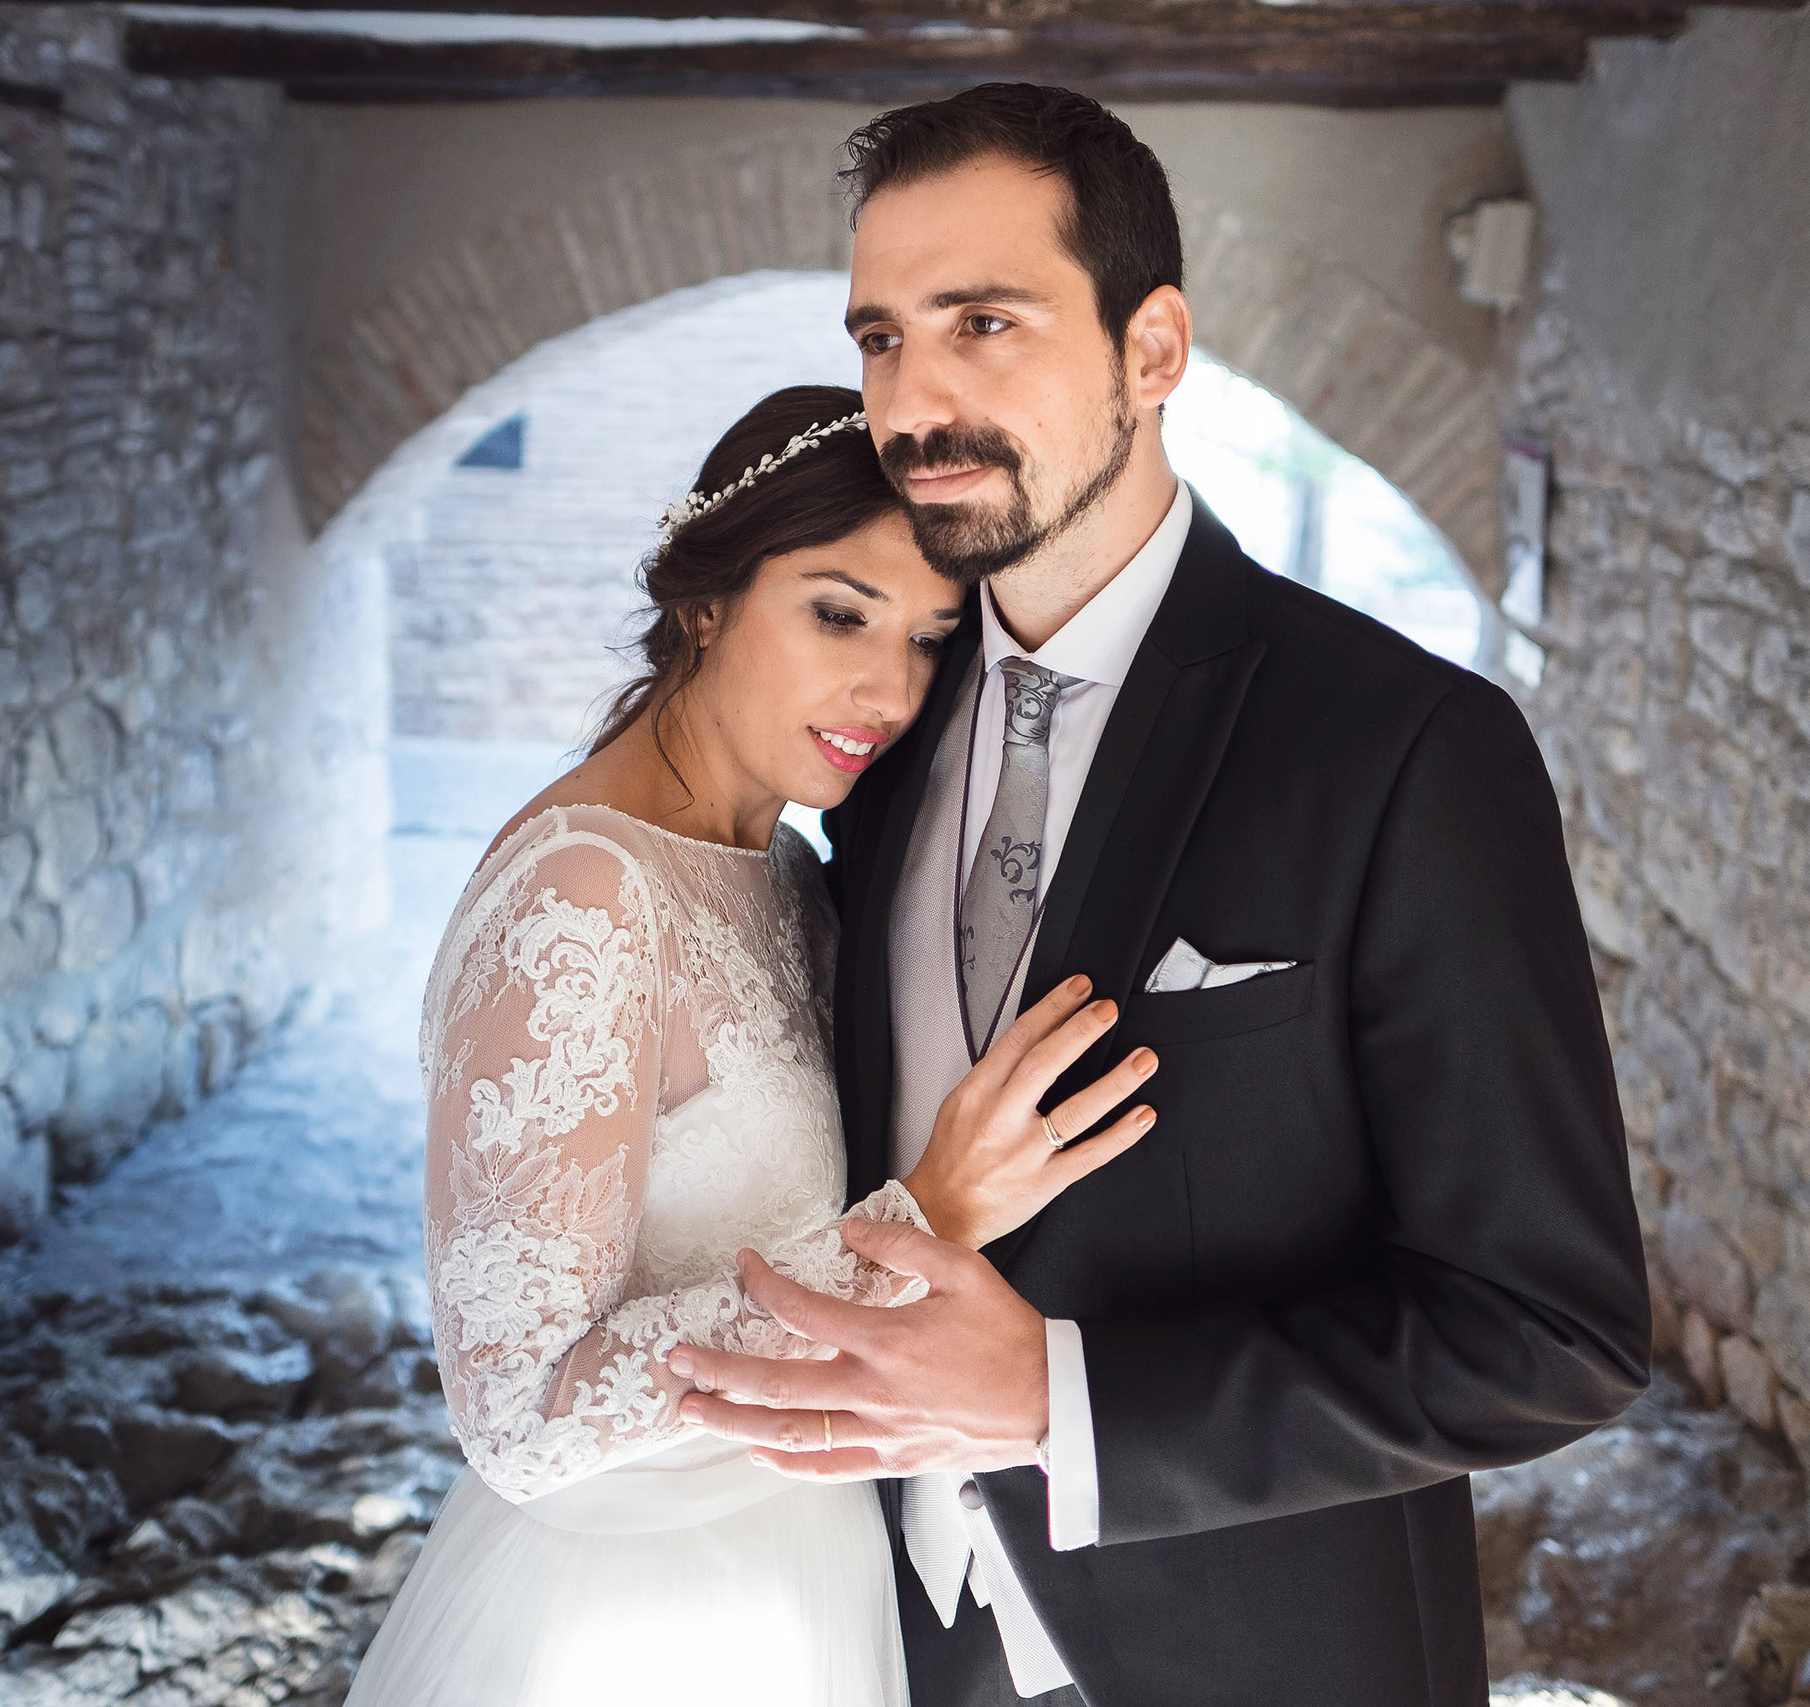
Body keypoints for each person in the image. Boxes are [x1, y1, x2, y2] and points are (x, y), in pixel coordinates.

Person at [668, 86, 1655, 1705]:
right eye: (883, 336)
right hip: (875, 1644)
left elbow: (1551, 1332)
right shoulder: (875, 742)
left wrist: (1061, 1399)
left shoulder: (1405, 745)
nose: (917, 401)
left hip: (1258, 1657)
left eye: (985, 322)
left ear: (1153, 349)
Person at [345, 385, 1161, 1707]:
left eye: (928, 640)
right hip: (641, 1617)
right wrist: (927, 1217)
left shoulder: (785, 868)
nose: (886, 690)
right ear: (706, 600)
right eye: (839, 613)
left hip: (809, 1571)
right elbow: (521, 1411)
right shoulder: (582, 896)